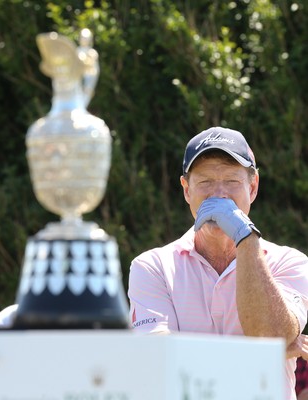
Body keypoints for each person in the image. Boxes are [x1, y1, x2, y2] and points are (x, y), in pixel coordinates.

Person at [128, 126, 308, 400]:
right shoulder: (152, 267)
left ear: (253, 186)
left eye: (231, 181)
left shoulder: (290, 262)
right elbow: (157, 364)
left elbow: (268, 333)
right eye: (206, 182)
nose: (218, 194)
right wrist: (262, 352)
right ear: (187, 190)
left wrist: (244, 235)